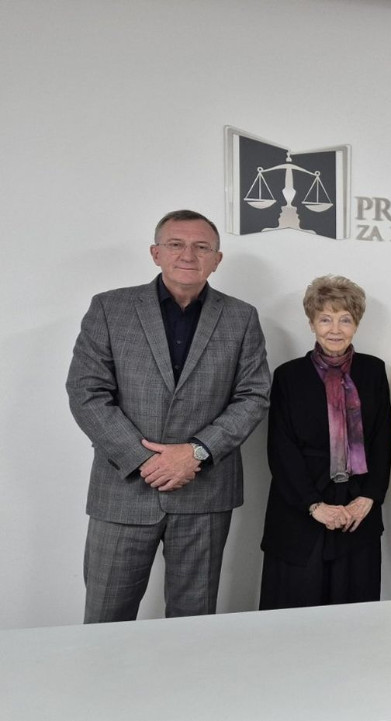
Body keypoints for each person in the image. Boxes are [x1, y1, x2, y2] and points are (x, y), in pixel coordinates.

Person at [66, 209, 270, 623]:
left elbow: (253, 395)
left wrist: (195, 453)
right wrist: (146, 460)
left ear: (217, 259)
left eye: (202, 247)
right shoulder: (110, 308)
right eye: (176, 244)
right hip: (123, 491)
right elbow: (86, 392)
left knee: (192, 622)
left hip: (204, 493)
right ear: (155, 253)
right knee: (106, 620)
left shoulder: (241, 317)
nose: (188, 255)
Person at [259, 276, 391, 609]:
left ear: (356, 325)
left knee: (354, 611)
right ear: (311, 323)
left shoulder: (374, 371)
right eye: (325, 319)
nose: (335, 329)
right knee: (295, 613)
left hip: (356, 511)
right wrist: (314, 506)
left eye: (345, 319)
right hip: (300, 511)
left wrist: (369, 497)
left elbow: (381, 441)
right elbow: (281, 449)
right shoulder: (288, 376)